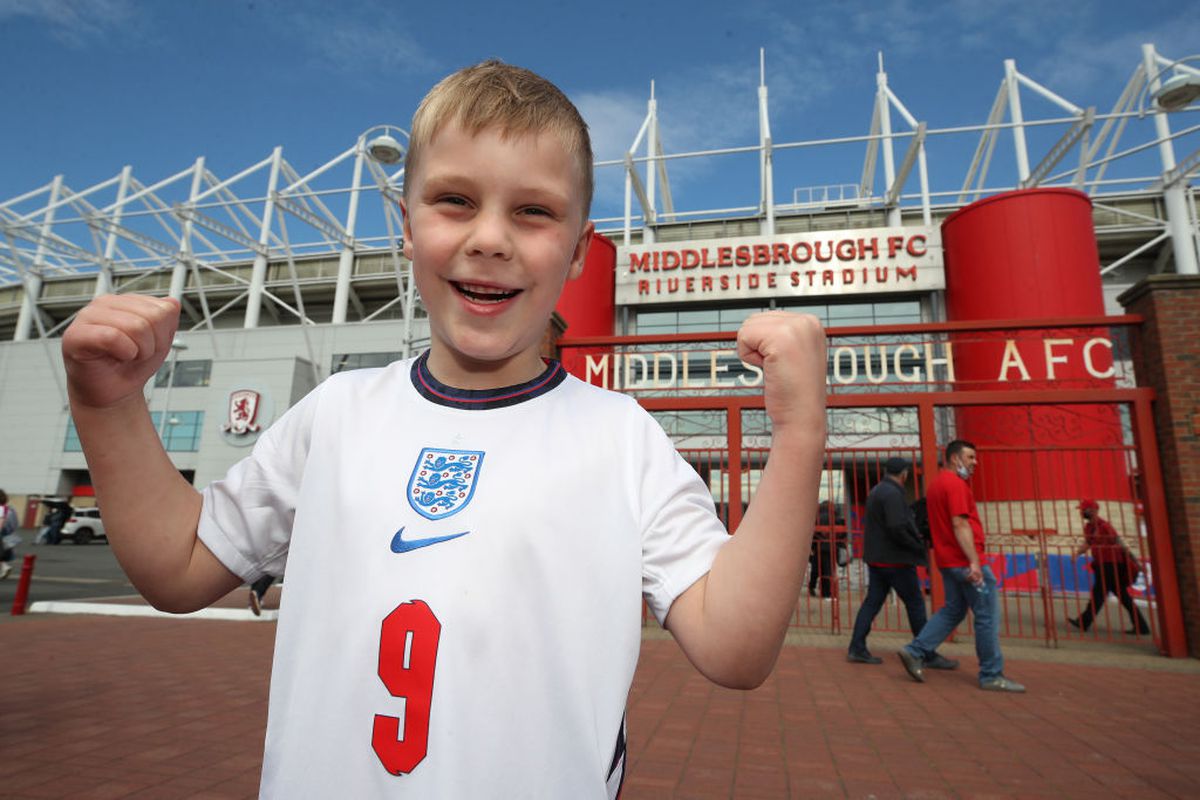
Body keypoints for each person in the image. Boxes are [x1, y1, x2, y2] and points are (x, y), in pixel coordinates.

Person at [60, 60, 828, 798]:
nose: (490, 237)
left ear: (579, 252)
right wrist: (107, 406)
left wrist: (798, 434)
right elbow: (181, 567)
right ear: (406, 224)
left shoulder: (621, 436)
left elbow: (735, 648)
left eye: (533, 210)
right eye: (455, 200)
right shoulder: (337, 412)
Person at [896, 441, 1025, 693]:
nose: (974, 462)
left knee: (953, 610)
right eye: (970, 457)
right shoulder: (955, 485)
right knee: (987, 616)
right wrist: (974, 561)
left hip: (948, 561)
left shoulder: (937, 485)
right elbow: (960, 524)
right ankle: (991, 674)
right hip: (965, 562)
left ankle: (915, 651)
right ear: (955, 459)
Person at [846, 457, 958, 671]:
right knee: (915, 603)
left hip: (877, 558)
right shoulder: (893, 494)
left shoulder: (877, 491)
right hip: (895, 560)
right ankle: (925, 652)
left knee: (872, 603)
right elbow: (897, 526)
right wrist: (916, 546)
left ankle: (857, 647)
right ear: (904, 473)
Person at [1068, 499, 1150, 635]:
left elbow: (1119, 543)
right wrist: (1076, 554)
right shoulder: (1089, 527)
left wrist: (1135, 562)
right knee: (1122, 596)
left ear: (1093, 510)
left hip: (1111, 564)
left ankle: (1084, 622)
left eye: (1083, 509)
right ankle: (1142, 627)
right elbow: (1088, 543)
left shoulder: (1105, 526)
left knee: (1098, 593)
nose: (1081, 512)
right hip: (1101, 564)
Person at [808, 501, 839, 599]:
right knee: (827, 571)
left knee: (816, 570)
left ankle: (811, 586)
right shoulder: (834, 517)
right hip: (829, 547)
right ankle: (826, 593)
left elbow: (812, 532)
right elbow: (839, 531)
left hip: (818, 547)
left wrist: (812, 547)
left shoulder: (816, 517)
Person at [0, 489, 18, 580]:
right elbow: (15, 523)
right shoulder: (11, 509)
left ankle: (4, 567)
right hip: (7, 534)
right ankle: (4, 567)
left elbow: (1, 521)